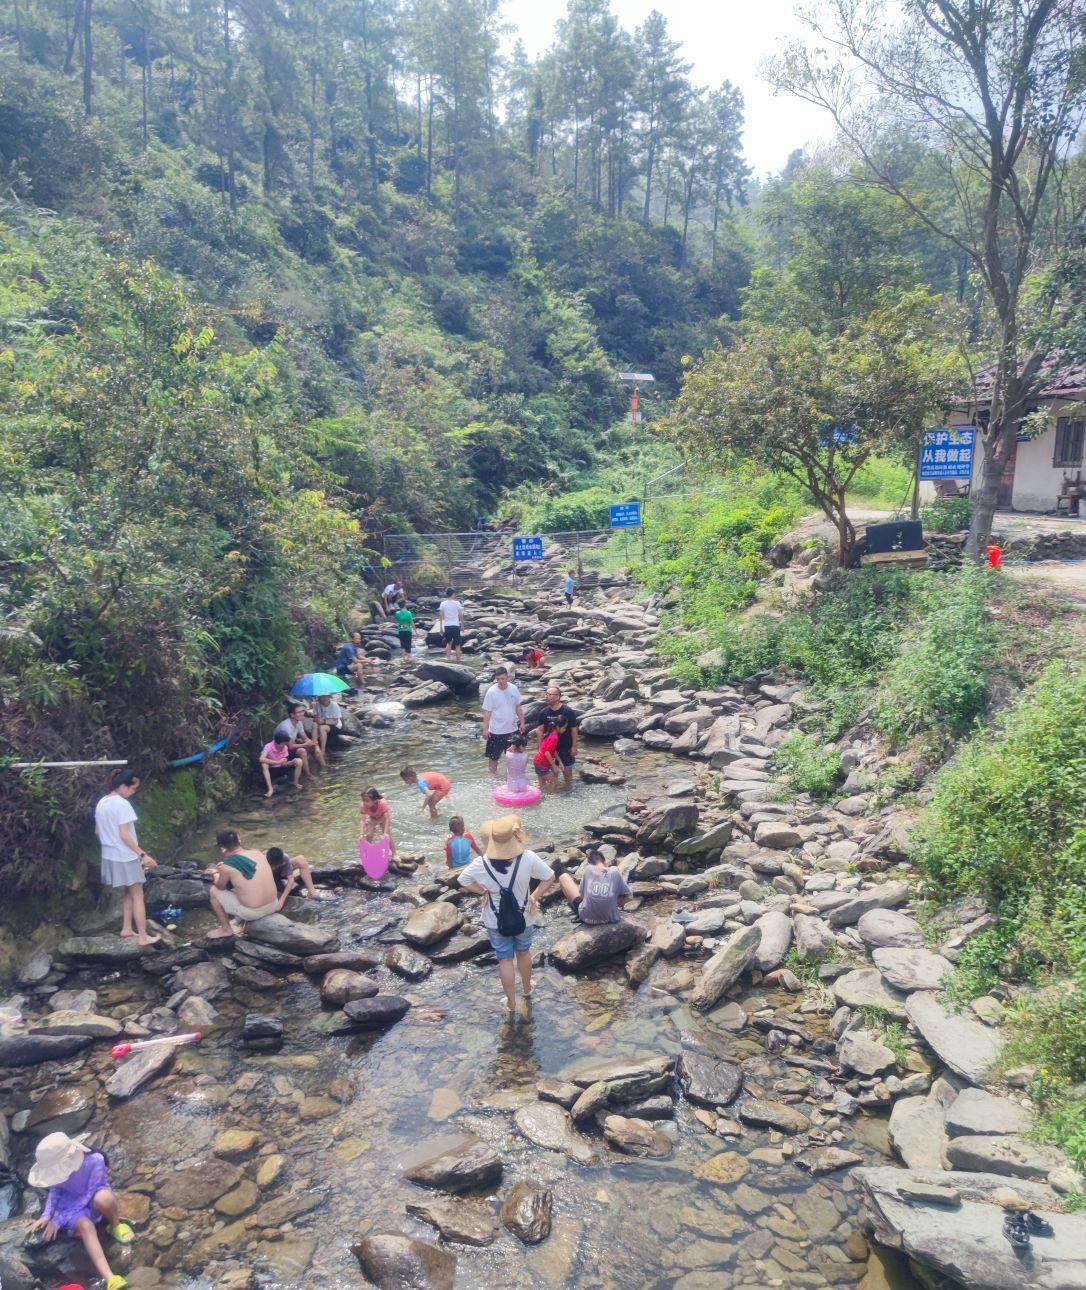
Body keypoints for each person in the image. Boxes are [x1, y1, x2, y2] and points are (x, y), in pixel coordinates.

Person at [458, 816, 556, 1018]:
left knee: (504, 960)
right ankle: (527, 989)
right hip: (524, 917)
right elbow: (550, 877)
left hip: (495, 920)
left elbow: (462, 879)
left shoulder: (481, 863)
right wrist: (535, 896)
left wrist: (482, 891)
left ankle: (511, 1004)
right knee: (523, 952)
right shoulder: (527, 857)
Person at [28, 1131, 132, 1290]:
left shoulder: (95, 1160)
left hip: (92, 1198)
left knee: (105, 1198)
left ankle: (116, 1225)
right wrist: (47, 1215)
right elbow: (55, 1192)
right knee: (86, 1226)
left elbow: (91, 1191)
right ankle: (110, 1277)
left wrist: (59, 1219)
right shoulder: (57, 1174)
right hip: (70, 1206)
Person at [93, 770, 159, 947]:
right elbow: (124, 835)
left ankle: (127, 928)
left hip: (109, 855)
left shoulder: (102, 803)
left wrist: (111, 844)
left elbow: (98, 831)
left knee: (129, 891)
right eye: (132, 789)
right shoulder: (122, 805)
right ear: (123, 786)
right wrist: (143, 855)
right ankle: (143, 936)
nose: (133, 792)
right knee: (138, 894)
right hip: (125, 856)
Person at [205, 829, 279, 938]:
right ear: (239, 840)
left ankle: (226, 930)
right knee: (240, 887)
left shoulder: (226, 866)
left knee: (213, 891)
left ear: (222, 848)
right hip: (273, 904)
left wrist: (216, 873)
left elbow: (219, 887)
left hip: (254, 913)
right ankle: (240, 920)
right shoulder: (258, 853)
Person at [559, 848, 631, 924]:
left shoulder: (588, 870)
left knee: (563, 877)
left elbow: (582, 896)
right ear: (605, 862)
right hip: (610, 918)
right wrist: (616, 904)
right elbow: (630, 897)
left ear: (589, 864)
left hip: (587, 918)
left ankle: (577, 913)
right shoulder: (615, 872)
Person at [481, 666, 526, 777]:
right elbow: (487, 712)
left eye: (503, 679)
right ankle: (493, 777)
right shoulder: (491, 692)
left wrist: (523, 722)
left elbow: (518, 707)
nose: (501, 681)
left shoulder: (513, 688)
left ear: (508, 677)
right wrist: (485, 729)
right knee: (493, 757)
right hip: (496, 731)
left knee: (514, 755)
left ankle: (512, 777)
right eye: (498, 679)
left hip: (512, 730)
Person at [537, 684, 580, 789]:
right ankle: (554, 792)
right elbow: (540, 731)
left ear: (558, 697)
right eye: (546, 694)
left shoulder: (568, 711)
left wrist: (574, 746)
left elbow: (574, 729)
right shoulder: (544, 712)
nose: (547, 696)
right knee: (553, 771)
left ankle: (568, 790)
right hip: (550, 748)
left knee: (567, 771)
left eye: (550, 694)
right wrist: (540, 748)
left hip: (566, 746)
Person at [275, 702, 325, 770]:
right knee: (302, 751)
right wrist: (305, 744)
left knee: (314, 745)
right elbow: (290, 746)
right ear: (292, 715)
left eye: (303, 711)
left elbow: (305, 738)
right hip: (280, 752)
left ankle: (324, 766)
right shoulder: (286, 726)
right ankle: (309, 774)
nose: (302, 713)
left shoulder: (299, 723)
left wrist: (314, 744)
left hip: (289, 748)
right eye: (299, 712)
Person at [258, 731, 303, 797]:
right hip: (272, 769)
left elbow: (285, 759)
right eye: (284, 743)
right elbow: (261, 759)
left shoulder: (285, 747)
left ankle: (295, 783)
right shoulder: (268, 746)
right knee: (264, 764)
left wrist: (285, 760)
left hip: (282, 767)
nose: (285, 745)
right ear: (278, 743)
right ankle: (270, 789)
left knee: (299, 761)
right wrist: (277, 762)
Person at [360, 787, 396, 857]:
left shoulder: (382, 803)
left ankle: (394, 854)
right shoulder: (363, 805)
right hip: (372, 817)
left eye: (367, 801)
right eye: (363, 800)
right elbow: (362, 820)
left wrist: (385, 833)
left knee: (387, 835)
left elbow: (387, 818)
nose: (365, 803)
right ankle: (367, 853)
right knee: (368, 835)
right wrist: (361, 834)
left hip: (384, 817)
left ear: (375, 800)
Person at [533, 715, 567, 791]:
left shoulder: (550, 734)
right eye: (564, 727)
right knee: (554, 781)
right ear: (558, 727)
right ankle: (551, 798)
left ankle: (542, 796)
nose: (565, 730)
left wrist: (560, 762)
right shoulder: (554, 737)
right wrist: (554, 765)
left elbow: (553, 750)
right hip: (541, 763)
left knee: (542, 784)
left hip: (537, 761)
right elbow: (547, 753)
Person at [438, 587, 465, 662]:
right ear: (453, 594)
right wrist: (462, 625)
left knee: (448, 643)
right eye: (454, 593)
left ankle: (448, 659)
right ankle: (458, 661)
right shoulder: (457, 603)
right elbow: (460, 615)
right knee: (457, 644)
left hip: (447, 626)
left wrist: (440, 627)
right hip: (455, 626)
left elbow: (441, 616)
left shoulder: (443, 604)